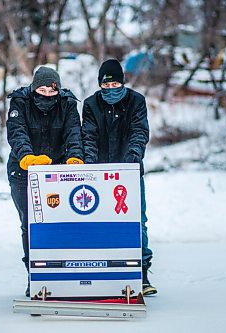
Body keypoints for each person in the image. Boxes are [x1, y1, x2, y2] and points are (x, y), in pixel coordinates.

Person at [81, 59, 157, 296]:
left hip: (130, 173)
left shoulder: (136, 101)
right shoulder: (91, 104)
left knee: (136, 221)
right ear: (100, 84)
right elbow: (89, 136)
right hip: (100, 176)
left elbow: (139, 132)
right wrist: (91, 166)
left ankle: (142, 273)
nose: (111, 89)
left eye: (115, 84)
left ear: (122, 82)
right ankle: (104, 270)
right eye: (107, 84)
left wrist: (131, 160)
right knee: (99, 222)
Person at [7, 66, 84, 297]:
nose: (47, 95)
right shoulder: (20, 102)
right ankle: (35, 276)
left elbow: (73, 132)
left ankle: (62, 274)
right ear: (33, 88)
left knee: (61, 224)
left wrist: (75, 156)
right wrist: (27, 157)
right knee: (31, 225)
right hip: (24, 172)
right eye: (41, 90)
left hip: (57, 173)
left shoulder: (68, 104)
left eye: (52, 91)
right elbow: (16, 131)